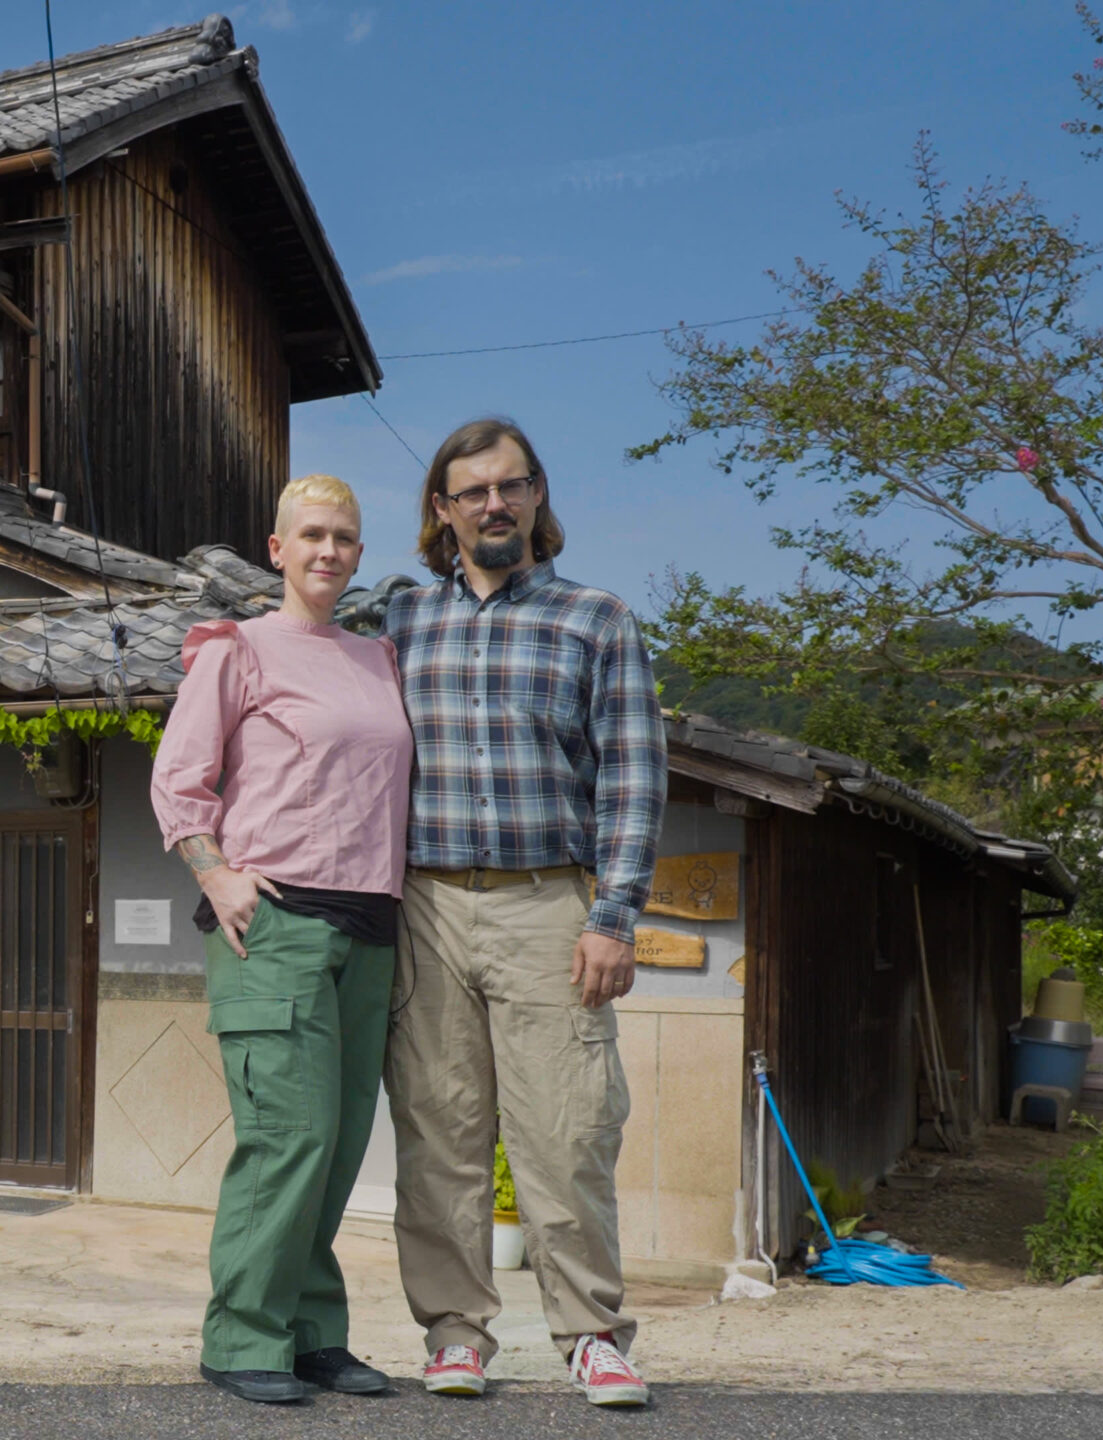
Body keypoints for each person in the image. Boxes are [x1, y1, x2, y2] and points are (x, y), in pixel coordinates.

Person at [379, 417, 666, 1409]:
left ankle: (590, 1334)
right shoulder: (399, 622)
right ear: (442, 510)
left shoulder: (596, 619)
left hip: (551, 902)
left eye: (511, 486)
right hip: (423, 903)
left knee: (567, 1126)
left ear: (537, 495)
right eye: (472, 491)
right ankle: (455, 1333)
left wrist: (614, 913)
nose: (493, 504)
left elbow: (632, 776)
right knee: (437, 1128)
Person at [149, 473, 413, 1407]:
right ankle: (242, 1335)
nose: (328, 551)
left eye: (344, 536)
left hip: (372, 927)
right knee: (288, 1137)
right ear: (276, 548)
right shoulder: (238, 648)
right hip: (279, 922)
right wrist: (214, 870)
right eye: (311, 535)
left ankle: (311, 1334)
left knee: (337, 1146)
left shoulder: (377, 658)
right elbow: (180, 776)